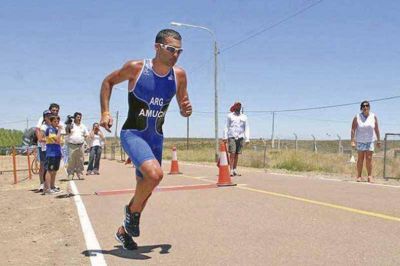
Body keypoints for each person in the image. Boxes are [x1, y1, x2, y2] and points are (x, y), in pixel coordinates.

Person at [99, 29, 192, 250]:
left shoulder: (179, 75)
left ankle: (124, 228)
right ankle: (131, 214)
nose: (175, 55)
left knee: (147, 187)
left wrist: (186, 109)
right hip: (133, 133)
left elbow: (183, 105)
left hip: (156, 137)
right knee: (155, 174)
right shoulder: (137, 68)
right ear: (157, 47)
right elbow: (108, 82)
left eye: (179, 51)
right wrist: (105, 112)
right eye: (171, 49)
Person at [351, 100, 381, 183]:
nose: (365, 107)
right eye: (363, 106)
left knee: (369, 159)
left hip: (370, 141)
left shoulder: (373, 116)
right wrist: (352, 141)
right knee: (360, 159)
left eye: (367, 106)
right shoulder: (357, 117)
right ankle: (359, 176)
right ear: (361, 108)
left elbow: (376, 129)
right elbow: (353, 129)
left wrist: (378, 140)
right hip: (360, 141)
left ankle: (369, 176)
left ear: (369, 107)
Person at [35, 103, 61, 191]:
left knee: (51, 167)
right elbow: (37, 130)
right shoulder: (42, 120)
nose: (55, 112)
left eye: (57, 110)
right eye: (53, 110)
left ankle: (50, 185)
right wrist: (41, 139)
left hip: (52, 148)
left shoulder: (56, 121)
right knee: (43, 166)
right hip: (43, 147)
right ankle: (42, 184)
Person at [223, 102, 250, 176]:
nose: (239, 107)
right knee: (232, 153)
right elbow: (226, 126)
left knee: (237, 154)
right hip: (232, 136)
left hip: (240, 137)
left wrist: (247, 138)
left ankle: (235, 169)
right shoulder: (230, 116)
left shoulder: (244, 117)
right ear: (234, 107)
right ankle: (231, 170)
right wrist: (225, 137)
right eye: (237, 106)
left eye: (240, 106)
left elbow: (246, 127)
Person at [66, 112, 89, 179]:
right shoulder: (71, 125)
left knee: (81, 160)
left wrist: (87, 143)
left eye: (80, 117)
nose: (79, 118)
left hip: (81, 145)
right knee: (71, 160)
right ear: (74, 117)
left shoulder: (83, 126)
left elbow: (86, 135)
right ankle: (70, 173)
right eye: (78, 117)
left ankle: (80, 173)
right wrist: (68, 125)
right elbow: (67, 132)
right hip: (71, 145)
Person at [43, 115, 62, 195]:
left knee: (54, 171)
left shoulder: (55, 130)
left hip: (57, 153)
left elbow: (60, 142)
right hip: (51, 153)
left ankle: (52, 187)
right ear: (51, 122)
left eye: (58, 121)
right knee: (50, 171)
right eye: (55, 121)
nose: (57, 123)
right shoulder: (50, 129)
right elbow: (57, 139)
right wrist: (60, 130)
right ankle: (47, 189)